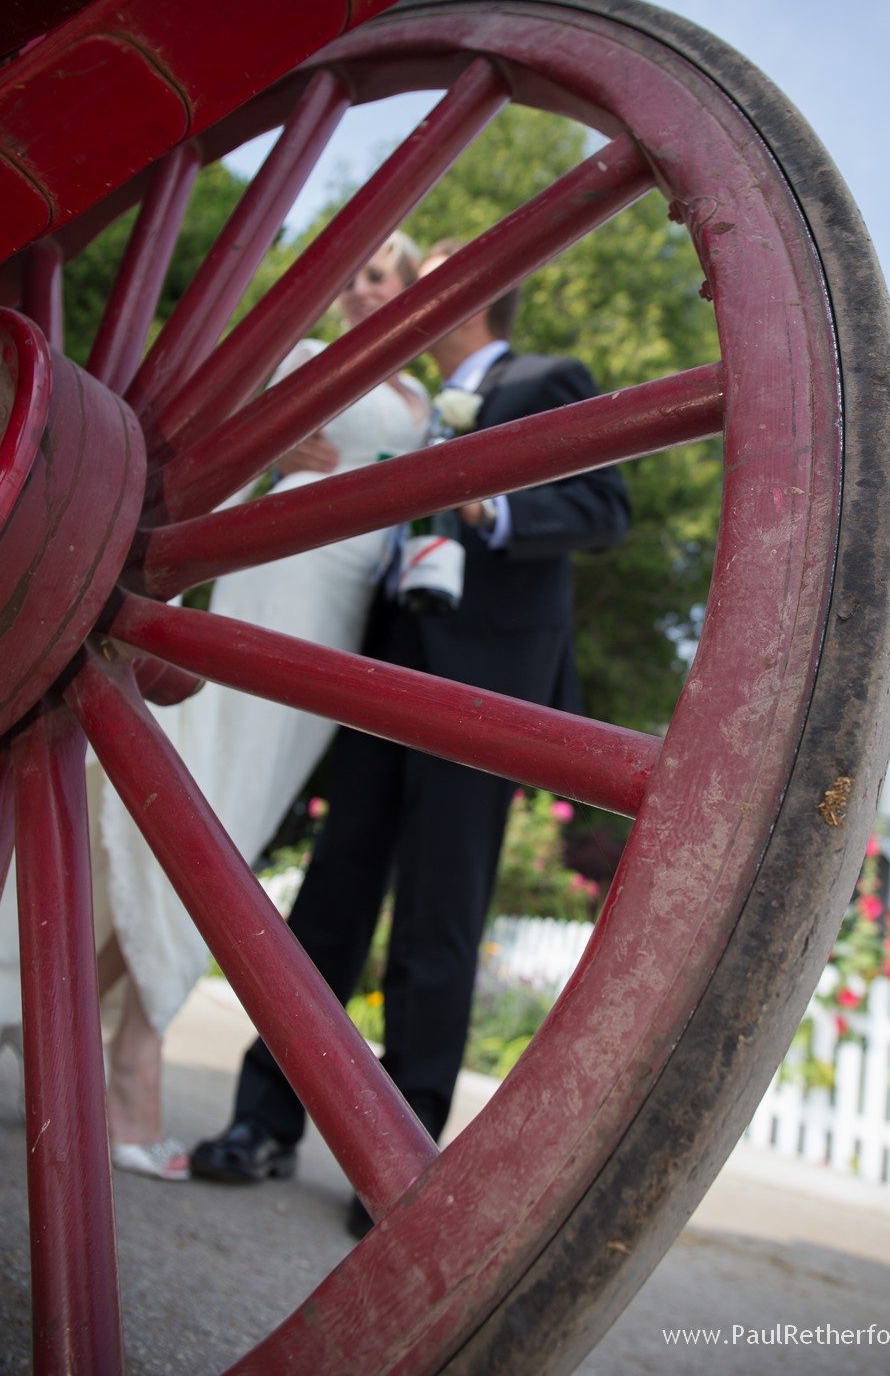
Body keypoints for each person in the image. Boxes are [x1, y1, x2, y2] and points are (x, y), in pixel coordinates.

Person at [191, 241, 632, 1234]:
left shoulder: (546, 379)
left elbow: (605, 507)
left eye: (432, 277)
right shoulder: (417, 402)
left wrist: (495, 501)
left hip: (488, 688)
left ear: (480, 292)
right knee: (330, 904)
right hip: (384, 665)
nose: (409, 295)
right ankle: (262, 1122)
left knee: (438, 921)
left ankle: (391, 1160)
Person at [0, 233, 430, 1179]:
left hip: (348, 607)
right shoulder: (312, 361)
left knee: (240, 819)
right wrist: (283, 448)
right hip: (279, 577)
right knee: (205, 800)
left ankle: (50, 1019)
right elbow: (213, 432)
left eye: (383, 279)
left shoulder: (426, 402)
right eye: (360, 278)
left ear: (412, 293)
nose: (365, 293)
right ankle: (130, 1060)